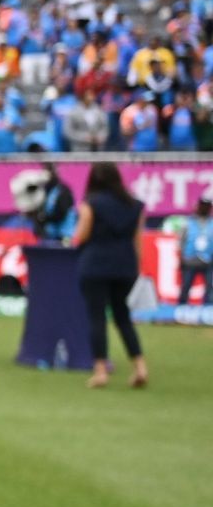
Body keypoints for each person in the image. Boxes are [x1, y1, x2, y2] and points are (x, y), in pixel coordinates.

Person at [71, 162, 148, 388]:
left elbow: (81, 235)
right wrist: (137, 267)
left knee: (97, 318)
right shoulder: (135, 205)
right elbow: (137, 241)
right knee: (123, 317)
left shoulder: (90, 204)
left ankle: (100, 370)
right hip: (125, 266)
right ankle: (140, 367)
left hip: (95, 264)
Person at [177, 196, 213, 306]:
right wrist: (181, 259)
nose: (204, 208)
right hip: (190, 260)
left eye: (207, 206)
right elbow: (181, 242)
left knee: (210, 287)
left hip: (208, 261)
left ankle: (209, 312)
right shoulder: (188, 222)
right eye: (202, 206)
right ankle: (181, 309)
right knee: (186, 286)